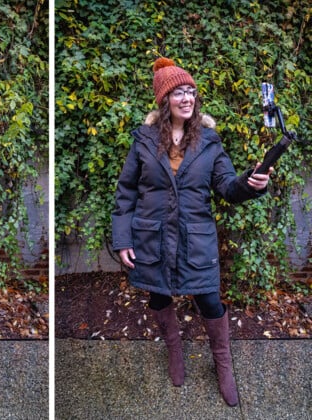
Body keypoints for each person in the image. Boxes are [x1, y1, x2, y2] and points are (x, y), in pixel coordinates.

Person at [112, 57, 273, 407]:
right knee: (159, 297)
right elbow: (126, 191)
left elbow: (227, 187)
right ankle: (174, 352)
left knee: (210, 301)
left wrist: (251, 182)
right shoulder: (143, 140)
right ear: (164, 100)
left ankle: (223, 364)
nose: (187, 98)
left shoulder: (209, 142)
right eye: (178, 92)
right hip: (152, 238)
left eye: (191, 91)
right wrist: (122, 239)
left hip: (195, 240)